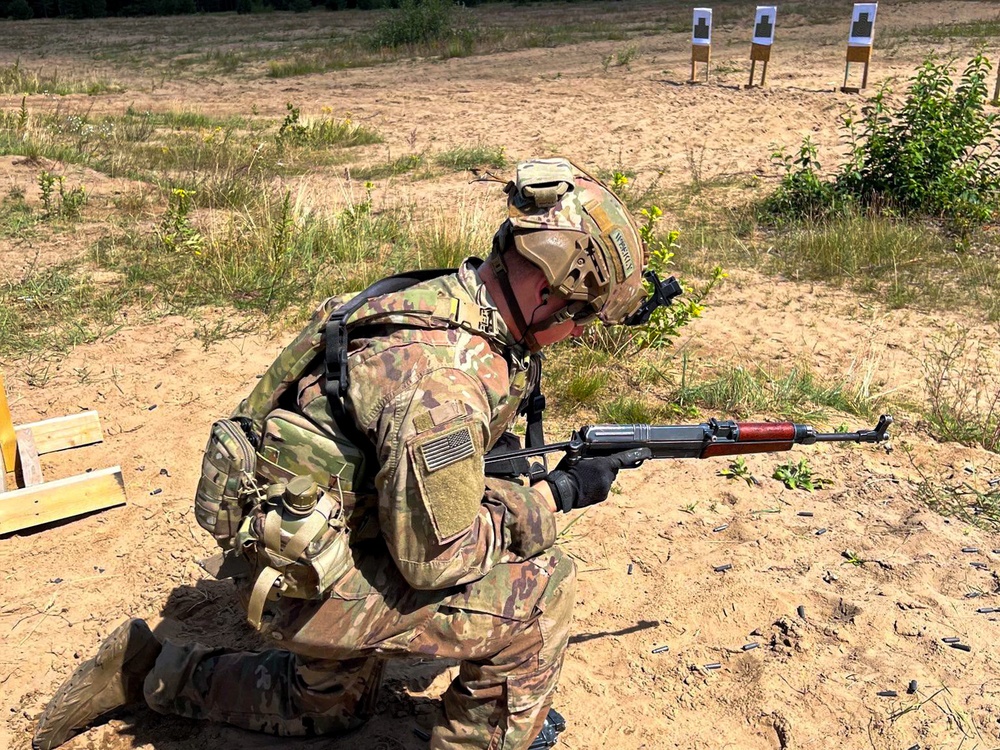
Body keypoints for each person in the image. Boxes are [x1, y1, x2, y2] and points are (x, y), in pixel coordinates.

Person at [33, 158, 666, 750]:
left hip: (293, 545)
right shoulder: (442, 384)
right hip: (304, 573)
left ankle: (151, 671)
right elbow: (435, 564)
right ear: (550, 292)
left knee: (330, 709)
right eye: (581, 319)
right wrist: (551, 498)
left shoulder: (440, 298)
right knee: (539, 587)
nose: (577, 334)